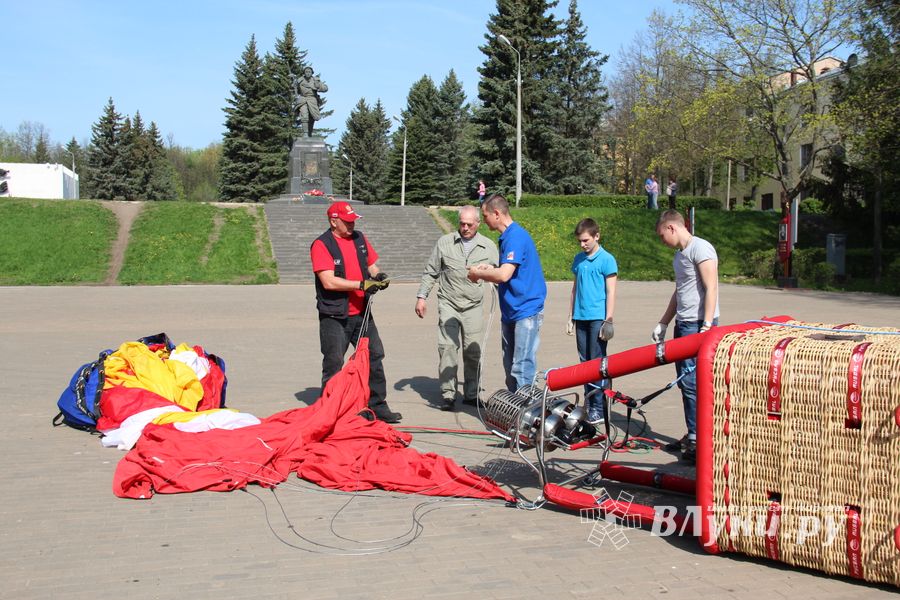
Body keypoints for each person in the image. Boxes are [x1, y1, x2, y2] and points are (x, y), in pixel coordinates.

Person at [309, 201, 401, 423]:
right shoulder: (322, 245)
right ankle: (330, 412)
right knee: (334, 363)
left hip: (362, 313)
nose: (351, 225)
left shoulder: (359, 239)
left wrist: (379, 276)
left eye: (353, 221)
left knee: (374, 356)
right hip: (335, 316)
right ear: (333, 221)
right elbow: (328, 282)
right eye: (347, 221)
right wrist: (361, 285)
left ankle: (378, 406)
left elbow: (372, 266)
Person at [650, 209, 719, 463]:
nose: (662, 241)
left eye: (661, 236)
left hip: (698, 325)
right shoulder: (680, 257)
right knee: (685, 383)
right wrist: (664, 322)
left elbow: (711, 286)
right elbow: (680, 292)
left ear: (672, 228)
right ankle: (693, 433)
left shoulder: (701, 249)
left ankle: (699, 439)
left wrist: (708, 324)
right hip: (684, 323)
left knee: (693, 384)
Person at [416, 205, 499, 411]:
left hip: (473, 306)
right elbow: (431, 271)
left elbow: (499, 274)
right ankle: (448, 394)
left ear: (478, 224)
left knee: (473, 351)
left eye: (469, 224)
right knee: (447, 349)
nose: (465, 228)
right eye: (462, 223)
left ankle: (471, 394)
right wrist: (421, 297)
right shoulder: (445, 243)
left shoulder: (488, 246)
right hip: (449, 304)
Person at [468, 194, 547, 392]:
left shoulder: (516, 237)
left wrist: (479, 274)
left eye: (485, 216)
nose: (484, 221)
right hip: (511, 310)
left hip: (526, 311)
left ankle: (527, 415)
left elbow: (504, 275)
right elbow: (506, 269)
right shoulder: (506, 237)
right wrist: (489, 267)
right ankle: (515, 409)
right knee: (510, 366)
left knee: (521, 368)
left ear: (496, 214)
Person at [566, 218, 617, 424]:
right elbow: (574, 288)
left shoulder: (607, 259)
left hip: (598, 317)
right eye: (579, 241)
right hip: (581, 317)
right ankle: (590, 402)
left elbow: (611, 290)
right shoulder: (578, 260)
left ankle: (598, 406)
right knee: (584, 362)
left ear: (597, 236)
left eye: (586, 240)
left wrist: (609, 319)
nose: (582, 244)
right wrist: (570, 316)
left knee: (596, 362)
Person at [294, 66, 328, 137]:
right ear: (304, 73)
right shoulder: (300, 80)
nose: (308, 73)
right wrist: (294, 84)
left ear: (312, 73)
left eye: (309, 72)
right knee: (304, 115)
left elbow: (325, 88)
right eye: (306, 72)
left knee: (313, 117)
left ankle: (309, 133)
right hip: (303, 99)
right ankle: (305, 133)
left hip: (312, 100)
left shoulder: (315, 80)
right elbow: (294, 88)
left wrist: (318, 86)